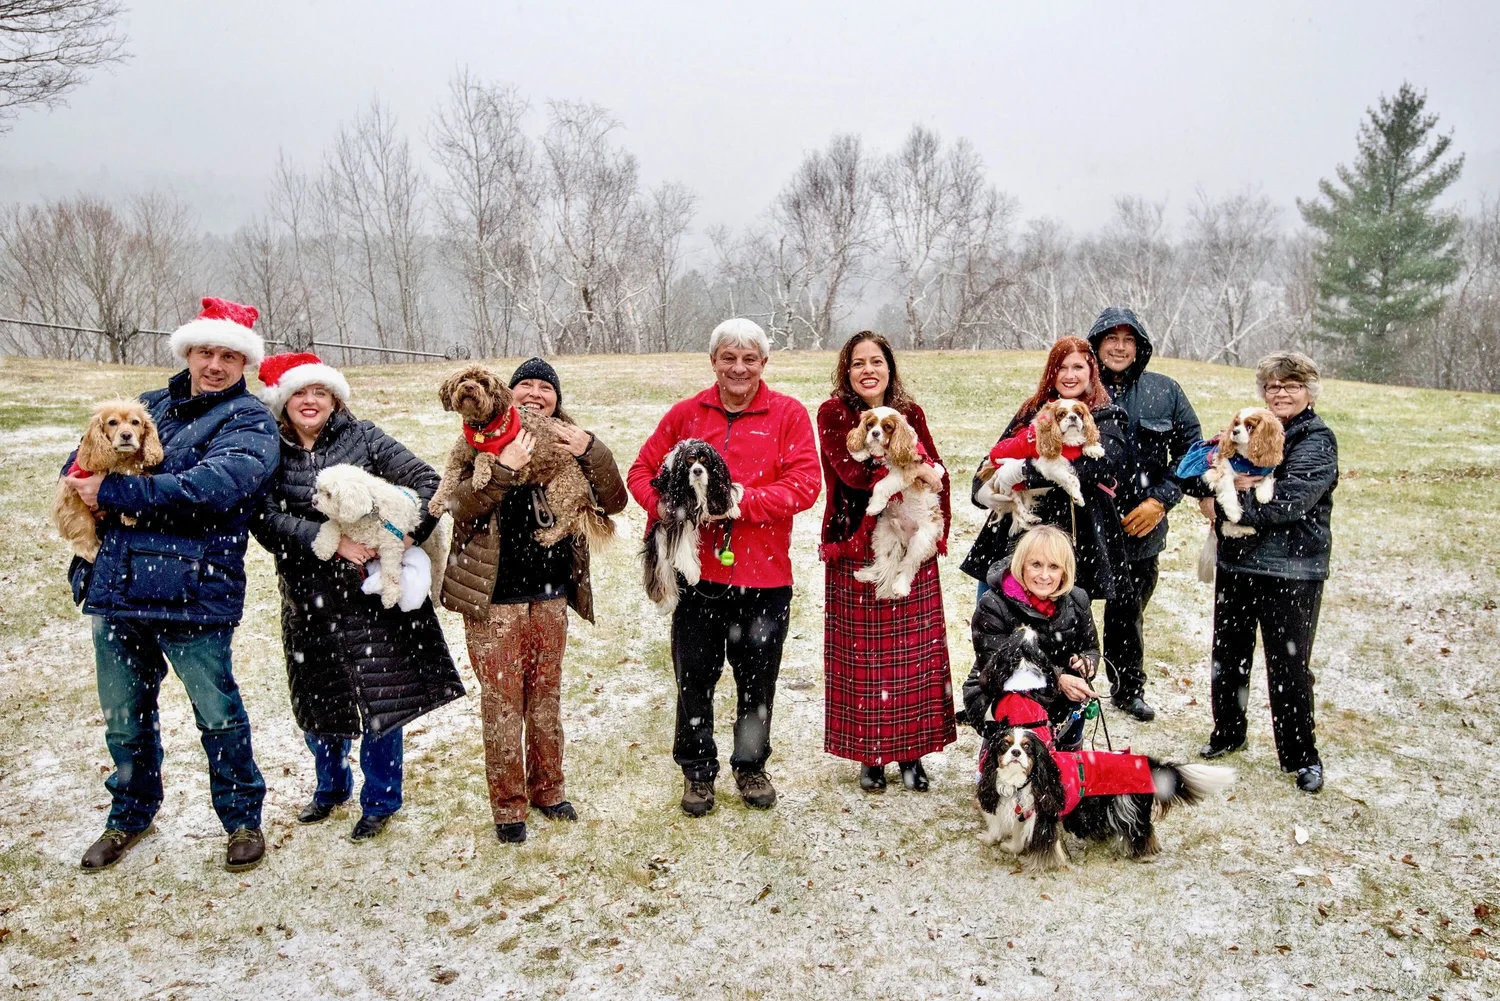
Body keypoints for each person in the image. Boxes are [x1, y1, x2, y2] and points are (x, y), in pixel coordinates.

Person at [63, 297, 279, 873]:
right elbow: (82, 462)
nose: (215, 364)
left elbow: (215, 488)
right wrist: (82, 486)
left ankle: (240, 818)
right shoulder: (146, 406)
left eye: (229, 356)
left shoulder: (250, 422)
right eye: (206, 351)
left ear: (244, 365)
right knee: (123, 715)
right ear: (188, 351)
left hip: (196, 594)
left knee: (217, 712)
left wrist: (113, 493)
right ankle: (129, 814)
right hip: (118, 589)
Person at [250, 353, 464, 843]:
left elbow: (431, 485)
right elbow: (260, 516)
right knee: (319, 701)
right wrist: (325, 540)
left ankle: (381, 799)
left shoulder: (364, 436)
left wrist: (403, 537)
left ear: (335, 399)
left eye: (320, 392)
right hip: (309, 595)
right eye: (300, 393)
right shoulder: (270, 449)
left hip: (371, 597)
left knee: (381, 701)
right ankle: (330, 788)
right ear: (284, 402)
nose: (310, 401)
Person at [627, 318, 821, 817]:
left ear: (764, 363)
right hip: (698, 580)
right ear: (713, 361)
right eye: (728, 358)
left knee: (758, 681)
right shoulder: (687, 414)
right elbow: (640, 472)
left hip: (765, 579)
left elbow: (805, 485)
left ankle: (751, 765)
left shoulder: (788, 414)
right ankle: (697, 771)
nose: (739, 368)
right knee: (694, 678)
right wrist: (668, 509)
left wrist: (741, 501)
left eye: (749, 359)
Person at [440, 358, 628, 844]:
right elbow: (461, 502)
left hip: (550, 595)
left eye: (546, 387)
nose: (535, 393)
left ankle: (549, 790)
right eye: (526, 384)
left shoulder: (567, 438)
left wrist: (593, 448)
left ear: (556, 398)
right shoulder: (480, 434)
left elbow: (615, 500)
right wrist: (504, 471)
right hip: (494, 596)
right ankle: (508, 808)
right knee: (503, 703)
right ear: (506, 391)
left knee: (545, 698)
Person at [1190, 351, 1336, 794]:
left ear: (1308, 392)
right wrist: (1214, 489)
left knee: (1289, 665)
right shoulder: (1248, 423)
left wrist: (1233, 502)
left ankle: (1299, 756)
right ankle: (1228, 733)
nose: (1281, 393)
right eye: (1273, 386)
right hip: (1237, 562)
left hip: (1292, 568)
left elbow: (1291, 500)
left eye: (1291, 386)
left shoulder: (1316, 439)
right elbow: (1201, 469)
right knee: (1228, 654)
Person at [817, 331, 955, 793]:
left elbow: (935, 468)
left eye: (876, 361)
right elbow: (853, 473)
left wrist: (925, 477)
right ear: (847, 371)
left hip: (912, 533)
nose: (868, 370)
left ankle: (913, 754)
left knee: (913, 657)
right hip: (855, 541)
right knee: (862, 661)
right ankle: (870, 755)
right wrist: (911, 468)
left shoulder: (909, 413)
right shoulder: (834, 414)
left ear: (889, 367)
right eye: (858, 363)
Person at [1087, 307, 1201, 723]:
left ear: (1140, 347)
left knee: (1128, 612)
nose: (1119, 347)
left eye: (1128, 339)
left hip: (1141, 527)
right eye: (1110, 338)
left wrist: (1162, 500)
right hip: (1084, 524)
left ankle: (1128, 687)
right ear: (1096, 344)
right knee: (1068, 610)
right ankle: (1064, 684)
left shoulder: (1165, 391)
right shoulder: (1078, 386)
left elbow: (1195, 453)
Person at [960, 337, 1131, 608]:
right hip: (1017, 527)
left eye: (1078, 367)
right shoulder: (1033, 409)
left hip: (1075, 530)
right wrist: (982, 492)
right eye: (1061, 368)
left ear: (1091, 372)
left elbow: (1100, 465)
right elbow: (996, 454)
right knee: (1000, 612)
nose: (1069, 375)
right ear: (1051, 372)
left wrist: (1025, 471)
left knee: (1063, 622)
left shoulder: (1105, 415)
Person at [963, 526, 1100, 749]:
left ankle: (1067, 753)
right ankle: (997, 752)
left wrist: (1087, 663)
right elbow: (998, 669)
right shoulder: (993, 603)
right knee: (1019, 711)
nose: (1044, 575)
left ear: (1064, 571)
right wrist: (1059, 679)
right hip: (1000, 690)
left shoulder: (1078, 599)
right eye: (1036, 565)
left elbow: (1091, 647)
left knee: (1073, 714)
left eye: (1053, 566)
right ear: (1022, 565)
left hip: (1058, 693)